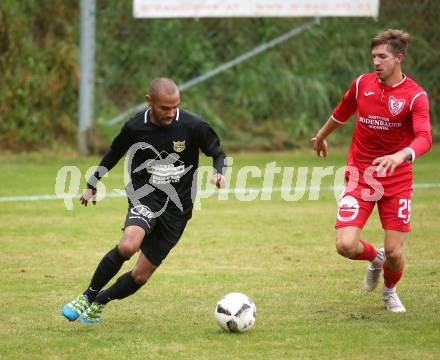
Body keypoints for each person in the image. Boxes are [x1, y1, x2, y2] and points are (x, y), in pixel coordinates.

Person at [62, 77, 227, 324]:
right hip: (145, 195)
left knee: (140, 275)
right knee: (128, 245)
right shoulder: (135, 127)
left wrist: (219, 171)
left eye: (175, 107)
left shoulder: (194, 126)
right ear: (149, 101)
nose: (171, 113)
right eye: (165, 108)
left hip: (178, 209)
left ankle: (100, 301)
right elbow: (114, 152)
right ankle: (86, 296)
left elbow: (217, 152)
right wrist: (92, 182)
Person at [312, 29, 432, 312]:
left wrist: (401, 155)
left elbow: (425, 137)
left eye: (382, 56)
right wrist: (321, 135)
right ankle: (375, 259)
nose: (376, 62)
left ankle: (390, 290)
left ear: (399, 58)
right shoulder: (361, 85)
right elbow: (341, 113)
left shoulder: (415, 96)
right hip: (360, 176)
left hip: (398, 180)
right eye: (373, 57)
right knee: (345, 245)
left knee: (395, 252)